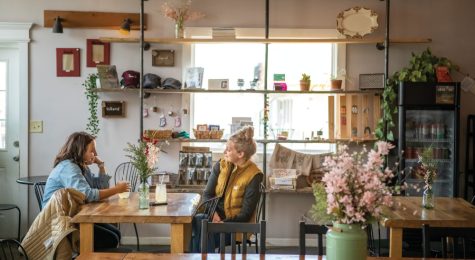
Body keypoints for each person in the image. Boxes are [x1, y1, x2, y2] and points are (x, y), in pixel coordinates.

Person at [42, 131, 130, 250]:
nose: (96, 154)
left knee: (116, 234)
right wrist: (117, 189)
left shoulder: (81, 166)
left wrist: (101, 166)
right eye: (92, 150)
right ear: (80, 150)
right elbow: (88, 195)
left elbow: (99, 188)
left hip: (76, 214)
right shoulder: (69, 167)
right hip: (59, 221)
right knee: (111, 239)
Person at [190, 126, 263, 252]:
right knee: (198, 220)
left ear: (240, 154)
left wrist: (221, 223)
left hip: (235, 226)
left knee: (202, 231)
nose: (225, 152)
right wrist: (214, 215)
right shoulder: (221, 165)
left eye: (228, 150)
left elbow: (245, 215)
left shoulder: (254, 175)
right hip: (213, 218)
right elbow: (207, 194)